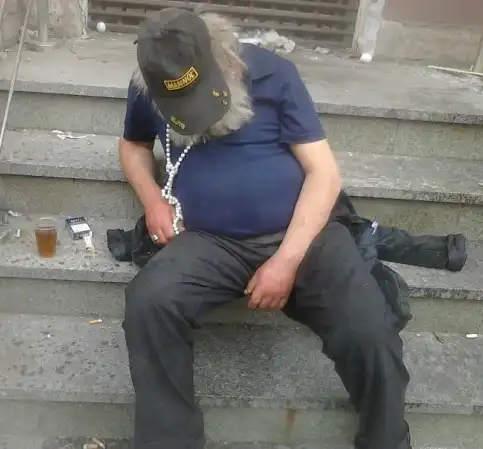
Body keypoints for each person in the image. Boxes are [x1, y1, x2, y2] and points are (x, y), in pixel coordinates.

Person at [118, 8, 411, 449]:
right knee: (149, 302)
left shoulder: (274, 74)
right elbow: (133, 144)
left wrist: (286, 262)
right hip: (208, 241)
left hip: (304, 236)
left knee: (369, 327)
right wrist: (152, 200)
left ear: (223, 61)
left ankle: (386, 441)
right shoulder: (154, 79)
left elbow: (324, 175)